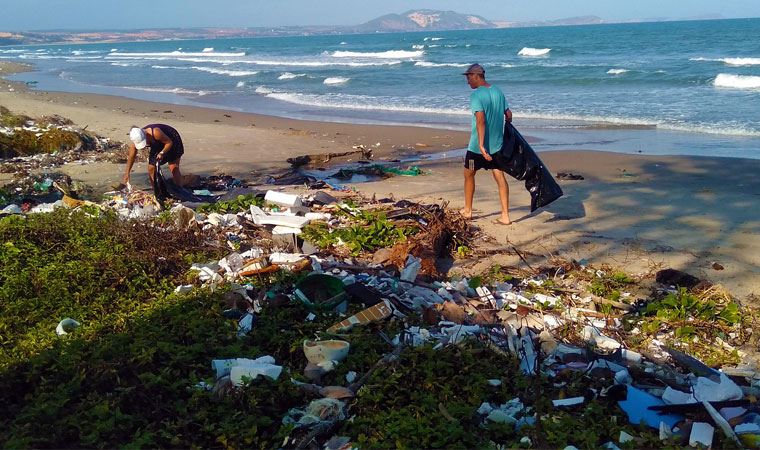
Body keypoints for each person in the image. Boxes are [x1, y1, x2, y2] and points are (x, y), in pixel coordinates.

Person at [460, 63, 513, 225]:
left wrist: (482, 145)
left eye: (469, 77)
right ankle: (505, 216)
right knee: (499, 176)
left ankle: (468, 211)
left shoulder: (476, 95)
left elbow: (480, 120)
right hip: (497, 145)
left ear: (476, 76)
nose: (467, 81)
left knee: (468, 174)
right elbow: (509, 115)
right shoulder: (497, 91)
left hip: (477, 146)